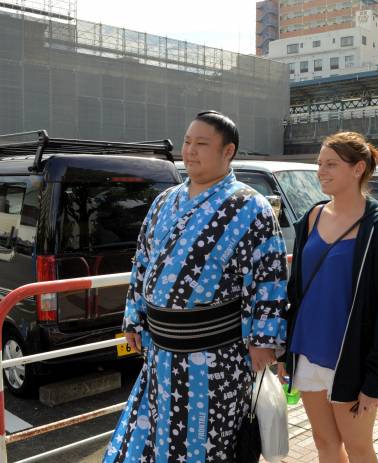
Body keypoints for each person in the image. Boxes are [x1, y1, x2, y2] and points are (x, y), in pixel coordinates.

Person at [103, 110, 287, 463]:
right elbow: (142, 263)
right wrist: (134, 319)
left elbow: (269, 277)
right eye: (187, 141)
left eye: (201, 143)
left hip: (215, 356)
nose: (190, 150)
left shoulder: (251, 206)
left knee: (208, 441)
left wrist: (263, 341)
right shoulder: (164, 201)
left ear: (227, 151)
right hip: (160, 353)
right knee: (158, 437)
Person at [278, 131, 378, 463]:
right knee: (325, 443)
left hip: (351, 359)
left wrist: (376, 379)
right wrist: (283, 350)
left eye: (331, 164)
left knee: (359, 447)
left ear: (358, 168)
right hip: (307, 351)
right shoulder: (312, 217)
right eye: (319, 163)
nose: (321, 171)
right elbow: (296, 290)